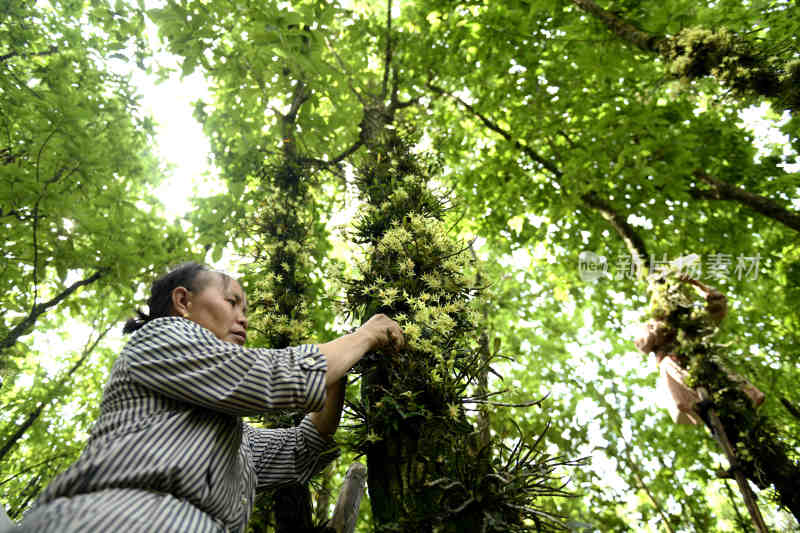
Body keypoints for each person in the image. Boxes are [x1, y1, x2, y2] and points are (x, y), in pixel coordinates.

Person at [6, 262, 403, 532]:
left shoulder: (231, 436)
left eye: (245, 308)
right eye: (232, 301)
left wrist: (337, 373)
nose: (244, 317)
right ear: (183, 302)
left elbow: (303, 447)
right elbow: (267, 375)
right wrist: (361, 337)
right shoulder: (162, 338)